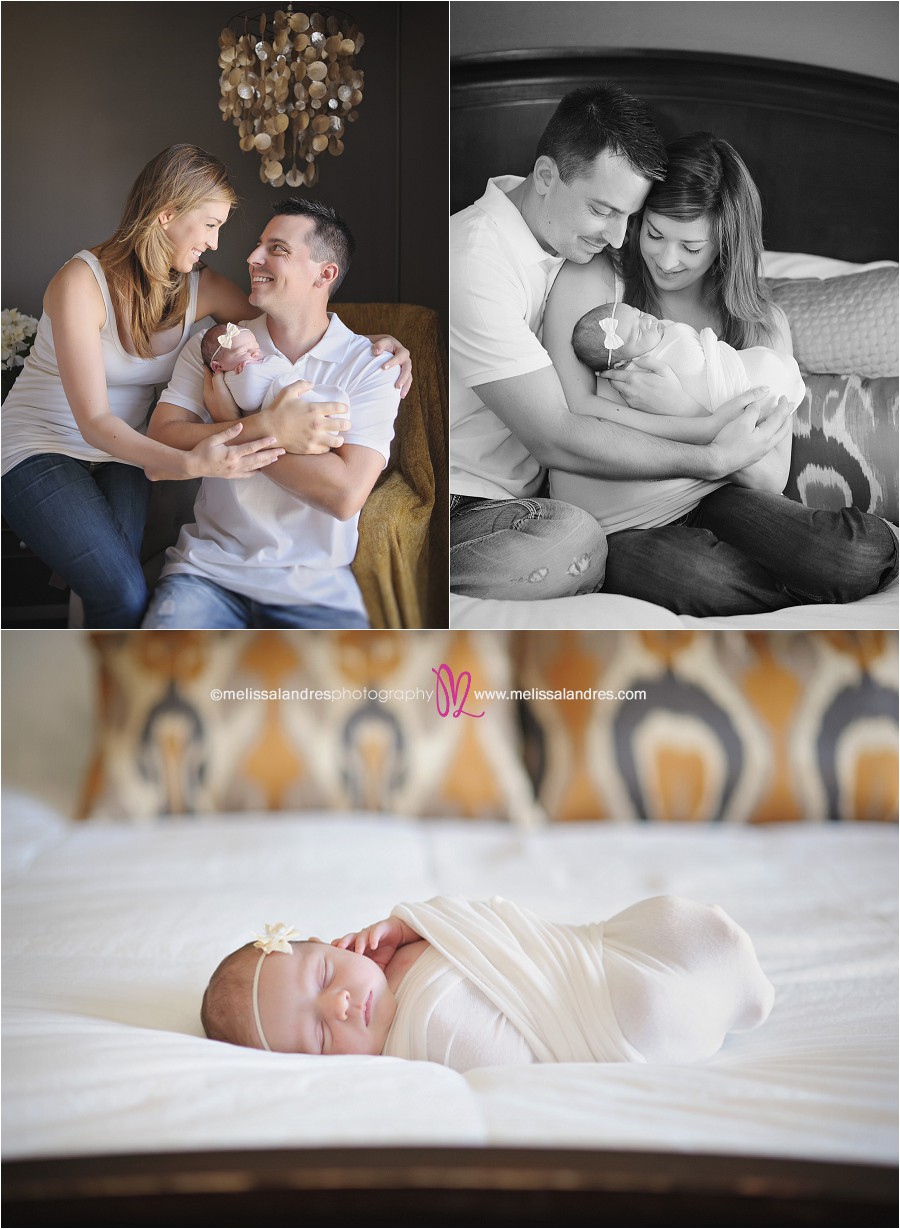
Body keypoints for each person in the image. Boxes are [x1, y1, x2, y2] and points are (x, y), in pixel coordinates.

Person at [449, 85, 796, 602]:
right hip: (460, 498)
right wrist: (710, 451)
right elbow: (559, 432)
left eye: (629, 218)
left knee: (836, 552)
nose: (618, 239)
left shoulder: (554, 247)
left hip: (521, 501)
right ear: (545, 177)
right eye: (604, 211)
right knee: (581, 542)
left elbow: (772, 475)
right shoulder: (479, 260)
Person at [544, 132, 898, 614]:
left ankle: (807, 579)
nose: (667, 261)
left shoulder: (758, 323)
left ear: (726, 243)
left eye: (691, 247)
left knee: (856, 556)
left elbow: (770, 479)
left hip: (719, 496)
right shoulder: (597, 280)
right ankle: (789, 593)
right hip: (622, 512)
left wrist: (686, 410)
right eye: (654, 234)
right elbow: (567, 416)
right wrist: (714, 436)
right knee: (701, 577)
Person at [141, 198, 401, 630]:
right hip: (207, 574)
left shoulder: (374, 367)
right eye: (259, 245)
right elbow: (158, 445)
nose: (252, 257)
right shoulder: (214, 348)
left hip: (315, 589)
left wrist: (232, 425)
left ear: (325, 274)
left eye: (277, 249)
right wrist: (268, 427)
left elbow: (343, 494)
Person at [200, 896, 774, 1072]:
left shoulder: (400, 943)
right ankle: (706, 995)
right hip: (594, 1017)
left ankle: (716, 970)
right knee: (650, 1005)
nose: (341, 1003)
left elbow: (500, 920)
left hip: (580, 957)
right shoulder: (412, 1044)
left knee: (666, 921)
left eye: (325, 973)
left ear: (333, 942)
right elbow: (504, 1053)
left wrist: (412, 923)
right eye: (322, 1037)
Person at [569, 298, 805, 416]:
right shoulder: (640, 375)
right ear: (621, 363)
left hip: (733, 364)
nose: (648, 321)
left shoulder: (657, 333)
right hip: (728, 391)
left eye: (639, 313)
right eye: (639, 332)